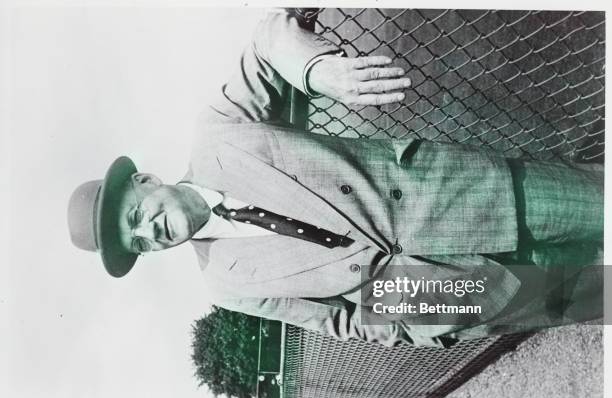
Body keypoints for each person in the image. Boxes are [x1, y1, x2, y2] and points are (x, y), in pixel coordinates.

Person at [67, 9, 603, 348]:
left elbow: (267, 37)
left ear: (145, 181)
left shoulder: (218, 134)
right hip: (449, 297)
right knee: (602, 293)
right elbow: (336, 322)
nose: (148, 233)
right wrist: (416, 323)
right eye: (136, 243)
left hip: (466, 197)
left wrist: (316, 70)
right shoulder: (225, 285)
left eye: (135, 217)